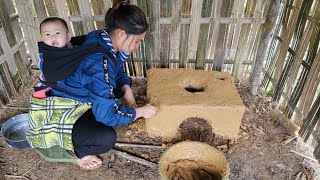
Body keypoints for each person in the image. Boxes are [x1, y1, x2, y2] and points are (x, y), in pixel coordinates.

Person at [27, 0, 157, 170]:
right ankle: (76, 152)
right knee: (105, 138)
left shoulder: (102, 38)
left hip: (80, 94)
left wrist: (125, 87)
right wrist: (140, 112)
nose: (138, 46)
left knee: (114, 99)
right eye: (138, 41)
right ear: (121, 34)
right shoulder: (97, 63)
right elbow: (107, 115)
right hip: (63, 107)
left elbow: (115, 68)